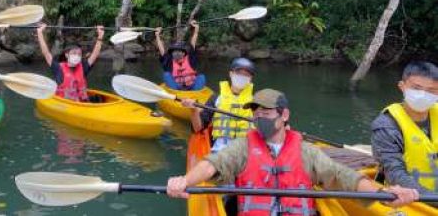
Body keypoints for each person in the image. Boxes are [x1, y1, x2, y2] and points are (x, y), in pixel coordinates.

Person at [168, 88, 420, 213]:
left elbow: (346, 177)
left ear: (284, 115)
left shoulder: (306, 152)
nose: (259, 119)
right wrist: (185, 180)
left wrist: (385, 192)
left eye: (266, 114)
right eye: (256, 114)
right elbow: (212, 163)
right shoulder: (243, 146)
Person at [372, 61, 438, 193]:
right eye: (416, 88)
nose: (423, 95)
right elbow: (395, 174)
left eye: (431, 90)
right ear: (402, 86)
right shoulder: (386, 124)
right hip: (408, 198)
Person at [182, 57, 255, 153]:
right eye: (238, 73)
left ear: (250, 79)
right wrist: (193, 110)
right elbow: (198, 129)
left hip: (247, 152)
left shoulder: (256, 102)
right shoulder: (216, 98)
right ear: (231, 74)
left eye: (246, 75)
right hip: (220, 152)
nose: (242, 77)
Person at [36, 23, 104, 102]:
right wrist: (40, 32)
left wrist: (100, 35)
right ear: (67, 55)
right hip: (65, 103)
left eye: (79, 54)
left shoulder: (84, 67)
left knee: (98, 98)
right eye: (74, 53)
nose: (77, 56)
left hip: (82, 102)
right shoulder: (58, 68)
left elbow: (95, 54)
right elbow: (46, 53)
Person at [154, 20, 206, 91]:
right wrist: (157, 36)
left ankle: (194, 94)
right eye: (174, 51)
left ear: (184, 53)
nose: (177, 53)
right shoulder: (169, 62)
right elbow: (162, 51)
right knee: (166, 75)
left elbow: (192, 44)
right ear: (172, 53)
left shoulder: (190, 59)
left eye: (179, 51)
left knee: (201, 77)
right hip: (177, 87)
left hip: (192, 87)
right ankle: (176, 93)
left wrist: (196, 30)